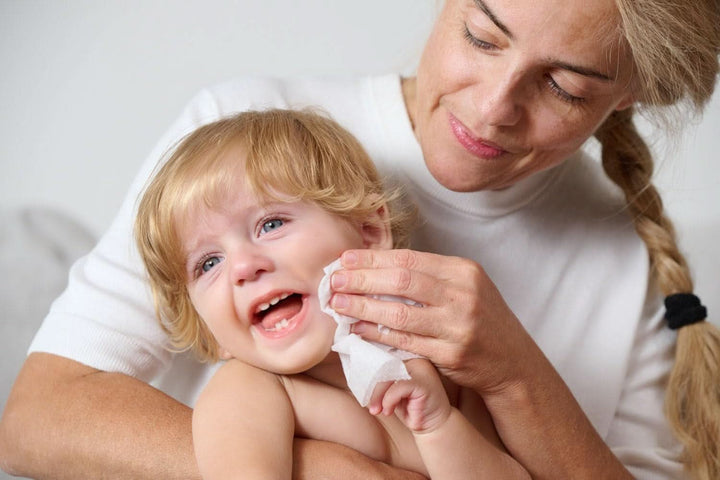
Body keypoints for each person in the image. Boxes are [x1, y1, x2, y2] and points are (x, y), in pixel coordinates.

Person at [1, 0, 719, 479]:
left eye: (564, 86)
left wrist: (512, 375)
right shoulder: (243, 141)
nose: (493, 107)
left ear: (628, 95)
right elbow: (37, 418)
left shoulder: (618, 264)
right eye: (482, 37)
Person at [134, 108, 529, 479]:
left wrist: (438, 426)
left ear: (369, 235)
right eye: (208, 263)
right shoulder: (249, 390)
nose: (242, 267)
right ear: (208, 329)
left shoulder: (439, 369)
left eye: (270, 225)